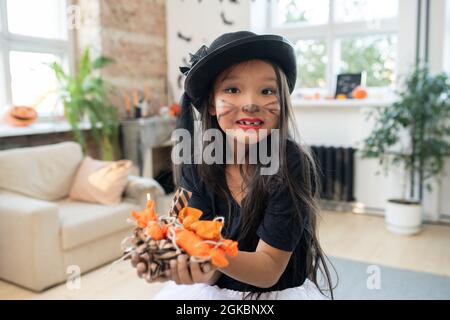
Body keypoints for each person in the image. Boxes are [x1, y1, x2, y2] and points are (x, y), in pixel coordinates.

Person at [131, 30, 335, 300]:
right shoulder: (197, 166)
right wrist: (173, 263)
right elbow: (208, 273)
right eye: (232, 89)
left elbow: (268, 269)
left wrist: (209, 252)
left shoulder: (290, 163)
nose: (251, 103)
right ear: (212, 105)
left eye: (267, 91)